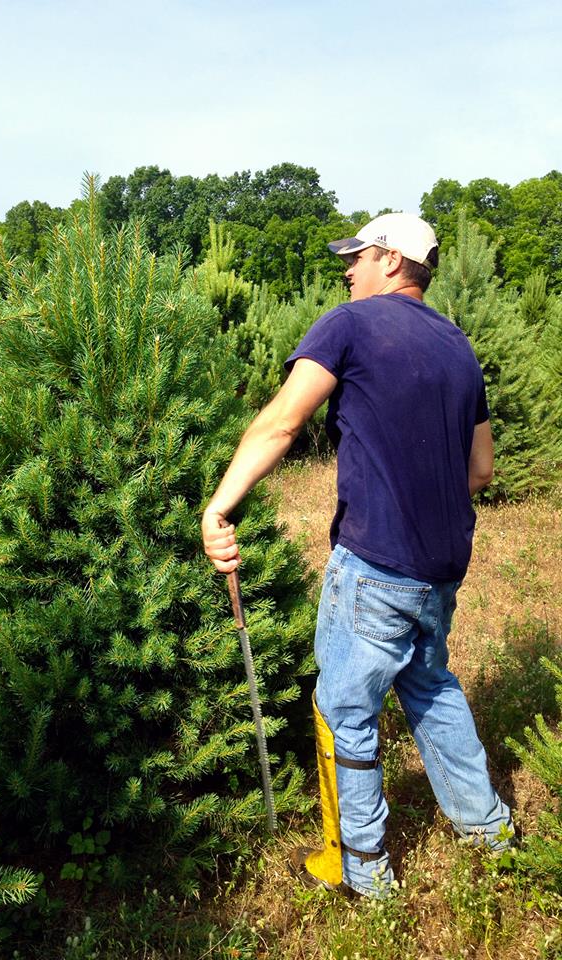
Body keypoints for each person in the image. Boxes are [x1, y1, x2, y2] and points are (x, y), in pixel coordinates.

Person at [201, 213, 514, 898]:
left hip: (376, 563)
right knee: (431, 688)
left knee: (344, 708)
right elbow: (482, 470)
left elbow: (285, 420)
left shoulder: (351, 324)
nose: (348, 268)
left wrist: (219, 506)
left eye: (359, 255)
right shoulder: (459, 347)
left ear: (395, 261)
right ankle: (491, 835)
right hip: (441, 568)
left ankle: (364, 873)